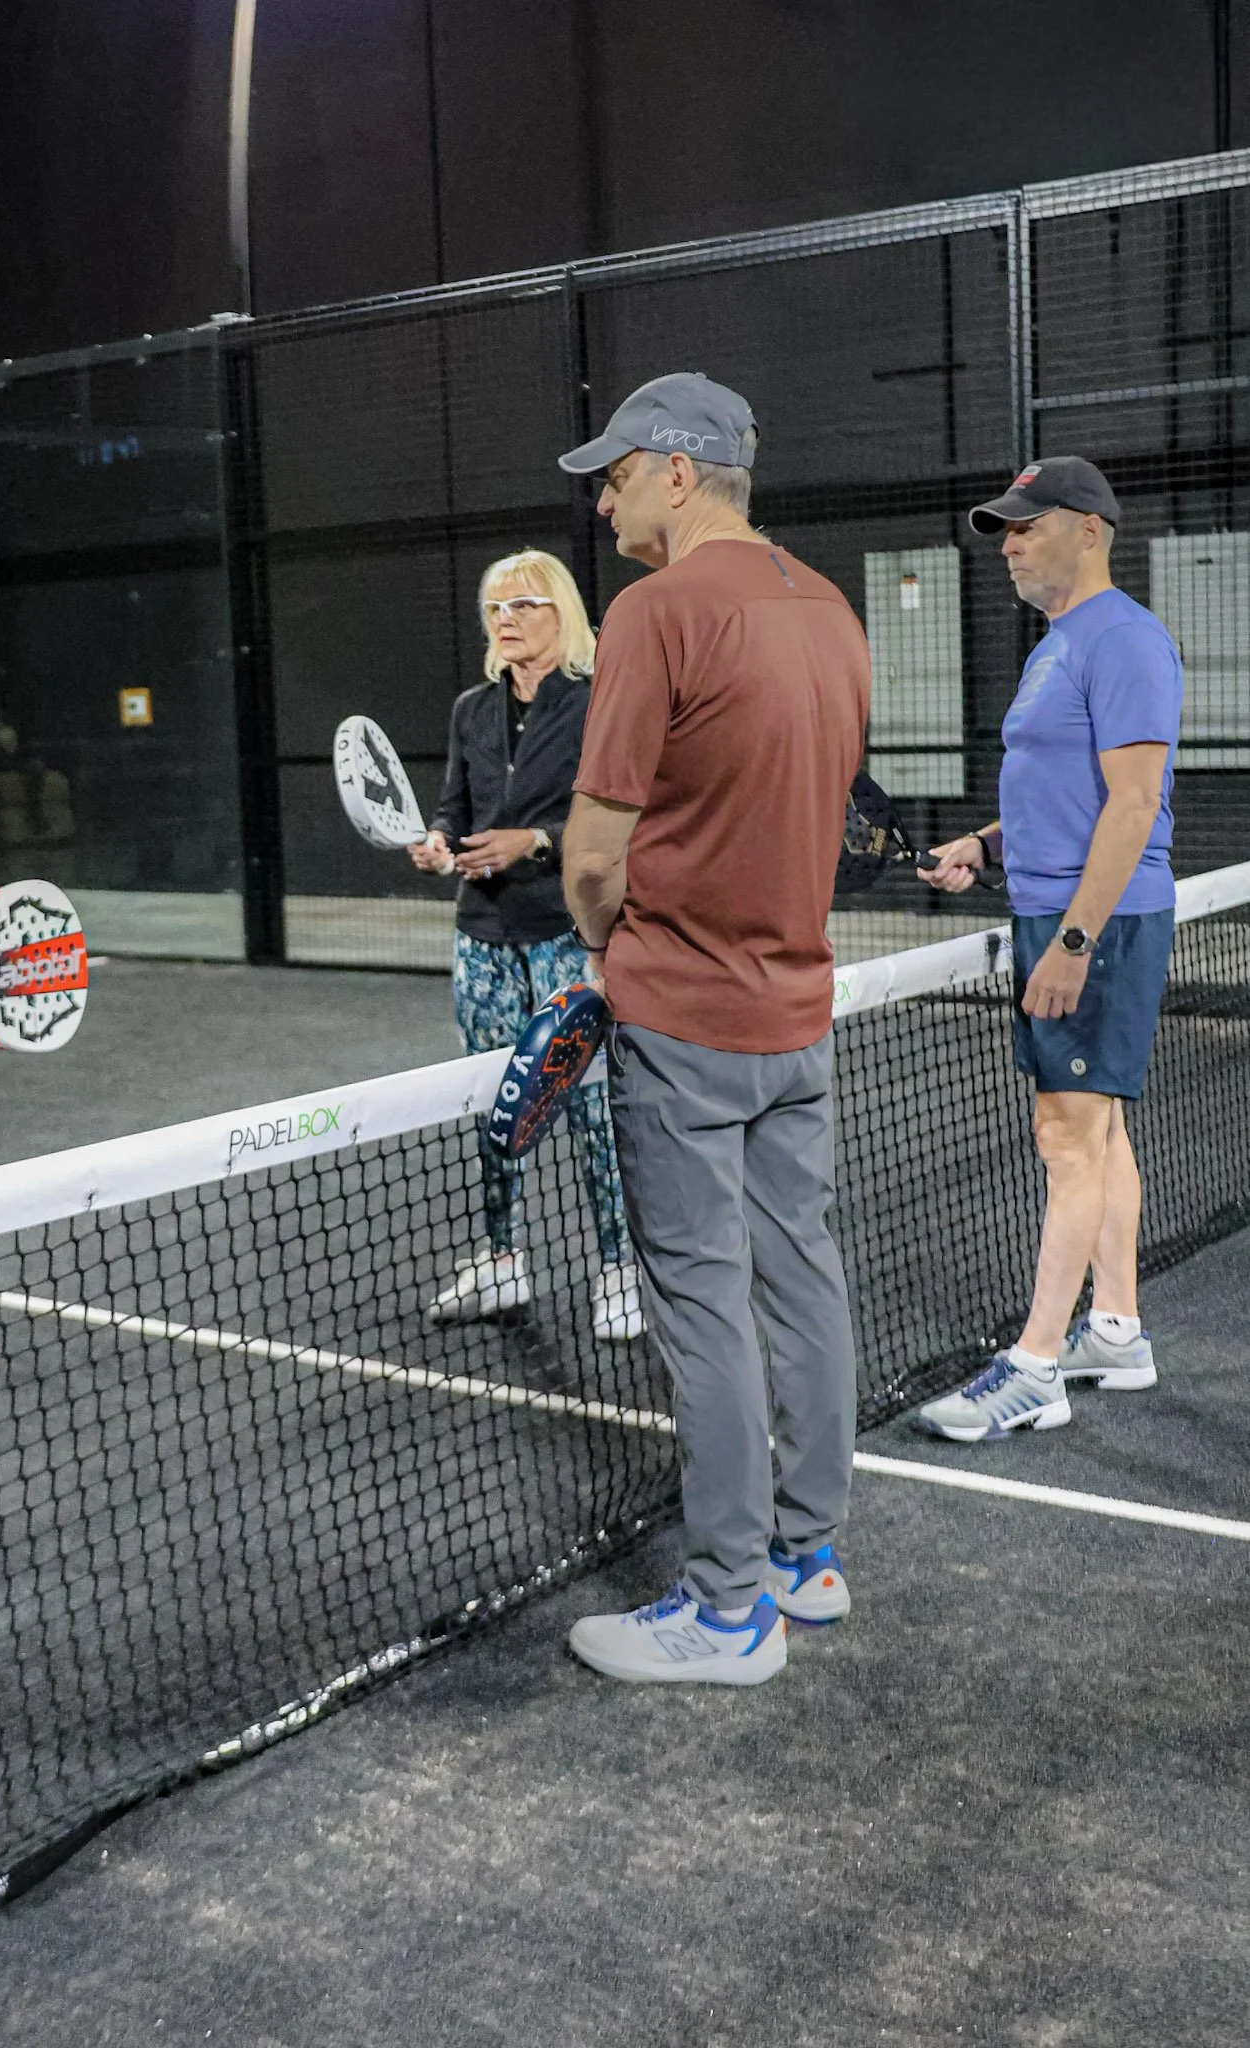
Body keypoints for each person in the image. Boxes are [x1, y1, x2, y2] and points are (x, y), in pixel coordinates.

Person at [558, 373, 869, 1686]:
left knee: (702, 1306)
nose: (602, 496)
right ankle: (806, 1561)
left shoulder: (652, 611)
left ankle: (728, 1610)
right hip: (798, 1013)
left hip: (681, 1021)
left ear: (677, 473)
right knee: (798, 1274)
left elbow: (592, 850)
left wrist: (594, 946)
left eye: (614, 473)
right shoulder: (830, 611)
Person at [915, 457, 1181, 1442]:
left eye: (1027, 526)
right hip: (1058, 907)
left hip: (1091, 922)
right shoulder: (1058, 646)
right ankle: (1113, 1329)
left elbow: (1134, 802)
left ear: (1089, 529)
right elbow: (1058, 788)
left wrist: (1073, 937)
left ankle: (1035, 1364)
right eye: (1005, 530)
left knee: (1066, 1138)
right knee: (1096, 1133)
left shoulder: (1123, 640)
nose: (1010, 543)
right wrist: (982, 846)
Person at [414, 549, 642, 1341]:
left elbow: (622, 817)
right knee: (491, 1107)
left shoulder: (595, 704)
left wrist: (534, 843)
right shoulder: (470, 710)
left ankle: (617, 1268)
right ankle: (500, 1257)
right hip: (480, 941)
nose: (505, 620)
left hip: (563, 938)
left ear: (561, 615)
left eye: (523, 605)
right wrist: (440, 842)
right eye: (495, 609)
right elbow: (453, 805)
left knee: (588, 1106)